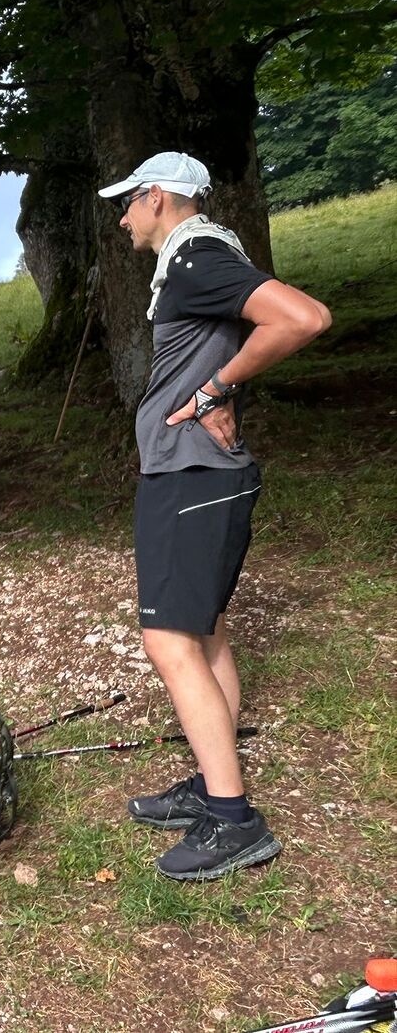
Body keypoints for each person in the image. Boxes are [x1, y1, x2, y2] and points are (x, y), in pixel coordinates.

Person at [98, 151, 330, 881]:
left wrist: (213, 391)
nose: (124, 217)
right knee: (205, 632)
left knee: (170, 642)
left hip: (192, 477)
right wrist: (216, 388)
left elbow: (303, 318)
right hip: (195, 474)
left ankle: (233, 819)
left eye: (129, 203)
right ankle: (212, 780)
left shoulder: (196, 258)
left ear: (158, 197)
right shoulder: (196, 258)